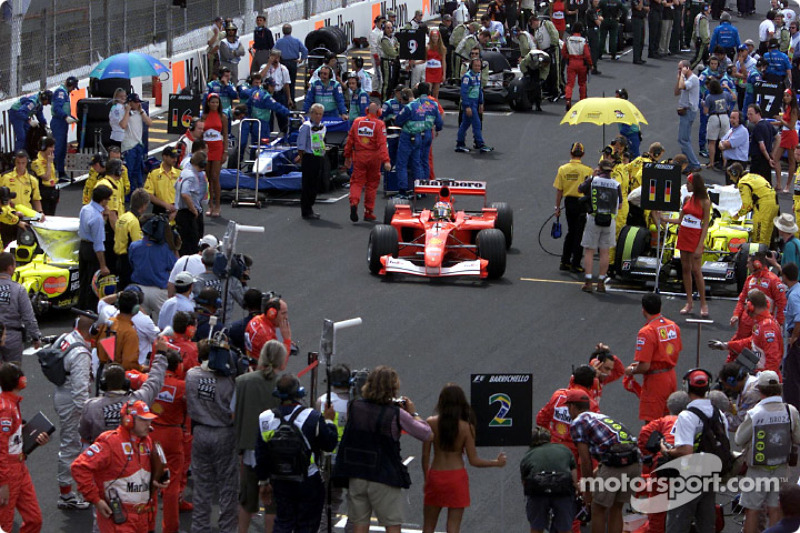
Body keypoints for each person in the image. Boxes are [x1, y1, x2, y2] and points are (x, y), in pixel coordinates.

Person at [333, 366, 433, 533]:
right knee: (392, 524)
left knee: (359, 524)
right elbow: (427, 434)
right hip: (384, 476)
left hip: (358, 474)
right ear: (393, 389)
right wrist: (414, 413)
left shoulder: (355, 407)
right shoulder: (396, 414)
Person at [253, 373, 338, 532]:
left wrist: (263, 482)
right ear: (298, 392)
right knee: (307, 525)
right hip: (308, 479)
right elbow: (329, 444)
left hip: (280, 479)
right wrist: (329, 421)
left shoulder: (265, 418)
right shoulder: (313, 417)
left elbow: (261, 455)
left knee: (283, 521)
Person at [72, 399, 168, 533]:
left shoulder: (147, 442)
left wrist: (158, 480)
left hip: (144, 516)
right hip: (119, 518)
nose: (149, 424)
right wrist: (96, 500)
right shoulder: (110, 442)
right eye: (143, 420)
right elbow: (79, 467)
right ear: (128, 420)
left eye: (149, 420)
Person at [422, 384, 506, 533]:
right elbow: (474, 460)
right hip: (456, 478)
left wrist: (426, 478)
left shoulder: (430, 422)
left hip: (436, 475)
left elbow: (425, 456)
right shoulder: (467, 427)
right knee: (453, 527)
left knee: (428, 526)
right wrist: (496, 463)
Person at [733, 370, 800, 533]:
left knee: (752, 509)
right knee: (775, 508)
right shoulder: (790, 411)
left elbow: (739, 439)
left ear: (760, 391)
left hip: (757, 468)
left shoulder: (756, 413)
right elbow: (798, 438)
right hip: (781, 467)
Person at [661, 369, 726, 532]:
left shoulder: (686, 416)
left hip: (688, 477)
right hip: (711, 474)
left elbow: (685, 451)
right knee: (706, 525)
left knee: (677, 526)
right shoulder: (719, 414)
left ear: (686, 387)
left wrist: (668, 451)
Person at [567, 389, 640, 533]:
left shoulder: (578, 422)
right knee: (617, 507)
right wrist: (594, 477)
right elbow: (604, 459)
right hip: (635, 460)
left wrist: (587, 490)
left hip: (615, 461)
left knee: (598, 508)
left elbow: (585, 460)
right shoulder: (601, 418)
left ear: (572, 407)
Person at [185, 339, 239, 533]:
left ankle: (199, 529)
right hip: (224, 432)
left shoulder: (191, 375)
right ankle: (227, 529)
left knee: (202, 487)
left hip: (200, 433)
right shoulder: (229, 380)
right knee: (227, 486)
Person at [234, 340, 287, 533]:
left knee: (247, 500)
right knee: (272, 504)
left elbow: (233, 413)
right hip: (276, 453)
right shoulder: (282, 386)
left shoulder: (242, 382)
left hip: (249, 451)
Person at [79, 344, 168, 444]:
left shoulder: (90, 406)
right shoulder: (138, 400)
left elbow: (84, 434)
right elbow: (155, 380)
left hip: (102, 454)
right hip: (131, 454)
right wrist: (161, 354)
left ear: (103, 384)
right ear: (126, 384)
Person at [0, 362, 49, 533]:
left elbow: (12, 436)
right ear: (20, 381)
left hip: (20, 466)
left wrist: (34, 438)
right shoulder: (5, 409)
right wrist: (3, 483)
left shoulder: (12, 403)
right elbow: (1, 450)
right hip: (8, 471)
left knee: (34, 519)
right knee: (4, 525)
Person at [51, 316, 94, 510]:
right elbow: (80, 393)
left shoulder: (65, 338)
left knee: (71, 445)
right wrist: (88, 417)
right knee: (71, 446)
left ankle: (68, 491)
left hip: (61, 392)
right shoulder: (81, 353)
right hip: (71, 402)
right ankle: (66, 495)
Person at [636, 391, 689, 533]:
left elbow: (644, 435)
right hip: (690, 470)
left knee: (657, 512)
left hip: (663, 467)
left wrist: (651, 456)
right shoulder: (696, 421)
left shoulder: (664, 421)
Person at [625, 293, 682, 422]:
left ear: (643, 310)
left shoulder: (646, 332)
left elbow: (645, 366)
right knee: (669, 421)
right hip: (671, 377)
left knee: (652, 424)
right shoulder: (673, 326)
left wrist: (631, 370)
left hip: (655, 382)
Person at [660, 173, 711, 316]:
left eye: (688, 183)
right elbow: (680, 219)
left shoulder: (705, 202)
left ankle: (703, 304)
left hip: (695, 237)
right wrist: (664, 219)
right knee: (686, 269)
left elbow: (705, 225)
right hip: (684, 235)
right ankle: (689, 302)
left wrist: (700, 245)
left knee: (696, 270)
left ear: (695, 184)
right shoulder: (687, 199)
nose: (686, 186)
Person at [148, 351, 188, 533]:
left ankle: (147, 525)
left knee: (149, 482)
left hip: (151, 433)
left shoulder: (151, 381)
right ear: (178, 366)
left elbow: (128, 375)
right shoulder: (182, 387)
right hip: (173, 435)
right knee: (171, 485)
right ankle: (170, 528)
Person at [712, 289, 784, 374]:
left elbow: (773, 359)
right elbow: (751, 342)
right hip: (760, 372)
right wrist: (726, 345)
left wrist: (762, 379)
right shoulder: (761, 323)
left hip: (765, 378)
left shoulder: (767, 328)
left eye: (746, 305)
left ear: (751, 306)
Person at [519, 426, 576, 533]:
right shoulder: (564, 449)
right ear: (549, 439)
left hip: (538, 491)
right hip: (562, 490)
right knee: (565, 528)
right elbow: (573, 475)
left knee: (536, 527)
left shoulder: (528, 455)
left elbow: (525, 482)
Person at [536, 365, 600, 460]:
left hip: (554, 449)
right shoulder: (592, 405)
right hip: (575, 456)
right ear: (594, 384)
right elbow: (596, 435)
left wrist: (551, 437)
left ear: (572, 379)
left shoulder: (558, 396)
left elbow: (541, 420)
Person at [578, 159, 622, 293]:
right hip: (610, 220)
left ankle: (588, 281)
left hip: (593, 218)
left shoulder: (594, 180)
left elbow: (580, 189)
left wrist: (592, 176)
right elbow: (620, 205)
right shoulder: (616, 184)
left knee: (589, 250)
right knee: (605, 252)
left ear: (600, 169)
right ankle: (601, 282)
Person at [344, 102, 391, 222]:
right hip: (374, 157)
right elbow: (382, 144)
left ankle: (354, 202)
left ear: (366, 110)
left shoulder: (357, 122)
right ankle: (368, 211)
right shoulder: (380, 124)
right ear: (379, 112)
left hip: (359, 156)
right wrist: (386, 160)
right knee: (372, 184)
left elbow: (350, 140)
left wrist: (347, 156)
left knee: (357, 181)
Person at [396, 84, 445, 197]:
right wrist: (437, 129)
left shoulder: (415, 105)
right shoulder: (433, 104)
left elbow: (399, 120)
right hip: (427, 133)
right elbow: (440, 121)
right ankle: (423, 188)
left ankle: (403, 191)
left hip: (413, 134)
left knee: (403, 163)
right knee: (423, 161)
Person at [128, 216, 178, 320]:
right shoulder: (165, 249)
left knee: (140, 324)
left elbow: (132, 263)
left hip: (140, 290)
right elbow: (175, 268)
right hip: (159, 292)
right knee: (165, 323)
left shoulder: (134, 246)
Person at [554, 142, 592, 273]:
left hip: (569, 203)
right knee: (579, 233)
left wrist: (557, 208)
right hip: (582, 203)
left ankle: (564, 261)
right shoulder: (588, 170)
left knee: (571, 231)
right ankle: (576, 263)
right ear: (583, 154)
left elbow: (559, 190)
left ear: (570, 153)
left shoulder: (563, 169)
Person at [77, 185, 112, 311]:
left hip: (83, 246)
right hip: (92, 250)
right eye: (107, 200)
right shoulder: (97, 218)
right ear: (103, 200)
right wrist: (103, 265)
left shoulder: (85, 209)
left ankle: (80, 308)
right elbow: (98, 245)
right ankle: (90, 310)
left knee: (83, 280)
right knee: (93, 284)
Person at [0, 252, 40, 363]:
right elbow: (28, 317)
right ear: (10, 268)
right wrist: (35, 337)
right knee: (13, 374)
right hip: (12, 337)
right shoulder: (18, 289)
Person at [727, 162, 780, 245]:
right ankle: (765, 254)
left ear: (735, 174)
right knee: (767, 236)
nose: (730, 178)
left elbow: (747, 205)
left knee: (758, 238)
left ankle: (757, 256)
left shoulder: (743, 183)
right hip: (774, 203)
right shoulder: (753, 176)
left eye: (730, 175)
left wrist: (737, 215)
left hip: (763, 207)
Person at [192, 247, 246, 324]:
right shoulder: (231, 281)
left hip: (203, 325)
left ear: (202, 261)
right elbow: (244, 302)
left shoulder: (197, 281)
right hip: (225, 327)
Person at [114, 188, 150, 290]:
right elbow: (137, 245)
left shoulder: (123, 217)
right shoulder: (134, 222)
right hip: (127, 262)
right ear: (143, 206)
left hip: (117, 257)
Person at [297, 103, 328, 220]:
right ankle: (306, 209)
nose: (318, 116)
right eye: (316, 114)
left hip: (318, 156)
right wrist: (302, 157)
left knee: (315, 183)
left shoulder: (322, 126)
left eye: (320, 114)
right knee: (307, 184)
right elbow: (301, 145)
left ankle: (310, 206)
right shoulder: (306, 126)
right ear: (311, 113)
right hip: (309, 156)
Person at [455, 58, 492, 154]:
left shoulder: (478, 76)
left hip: (475, 102)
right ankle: (480, 144)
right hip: (470, 103)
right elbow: (463, 92)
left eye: (479, 66)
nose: (477, 67)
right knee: (477, 123)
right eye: (476, 66)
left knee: (465, 124)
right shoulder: (467, 77)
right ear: (471, 66)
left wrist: (481, 102)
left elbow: (479, 90)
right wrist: (466, 106)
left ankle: (460, 143)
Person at [175, 152, 208, 257]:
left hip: (182, 212)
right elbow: (185, 193)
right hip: (188, 214)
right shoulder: (191, 176)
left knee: (184, 245)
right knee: (191, 247)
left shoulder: (184, 172)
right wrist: (193, 209)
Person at [120, 93, 153, 191]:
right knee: (129, 171)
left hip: (138, 144)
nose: (138, 104)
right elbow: (123, 125)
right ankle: (128, 191)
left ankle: (139, 189)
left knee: (138, 170)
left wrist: (142, 112)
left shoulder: (140, 111)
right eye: (135, 102)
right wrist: (127, 111)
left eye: (138, 102)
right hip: (129, 146)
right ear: (130, 103)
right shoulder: (124, 112)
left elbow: (149, 123)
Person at [202, 93, 227, 218]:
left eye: (217, 102)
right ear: (208, 103)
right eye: (212, 102)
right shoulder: (204, 116)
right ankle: (210, 205)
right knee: (208, 177)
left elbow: (226, 135)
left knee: (215, 176)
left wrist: (225, 151)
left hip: (217, 148)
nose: (214, 104)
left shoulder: (222, 117)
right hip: (207, 148)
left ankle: (218, 205)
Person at [675, 60, 702, 173]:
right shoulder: (685, 79)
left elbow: (683, 86)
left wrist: (681, 76)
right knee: (685, 139)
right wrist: (679, 77)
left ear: (687, 68)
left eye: (681, 68)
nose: (679, 71)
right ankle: (689, 164)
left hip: (689, 111)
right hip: (684, 111)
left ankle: (694, 163)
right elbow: (676, 91)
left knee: (683, 139)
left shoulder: (693, 79)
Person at [701, 79, 733, 168]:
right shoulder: (725, 94)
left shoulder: (709, 97)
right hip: (725, 117)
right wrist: (728, 88)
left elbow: (705, 111)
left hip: (714, 117)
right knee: (723, 141)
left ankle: (711, 162)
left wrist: (704, 105)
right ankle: (725, 162)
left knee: (712, 142)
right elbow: (734, 97)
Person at [273, 24, 309, 102]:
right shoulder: (296, 41)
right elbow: (305, 50)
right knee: (292, 83)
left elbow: (273, 51)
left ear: (283, 31)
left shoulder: (279, 42)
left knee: (282, 83)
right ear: (291, 31)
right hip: (293, 63)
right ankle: (291, 100)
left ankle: (284, 100)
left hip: (283, 63)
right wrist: (301, 59)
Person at [562, 22, 592, 110]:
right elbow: (587, 55)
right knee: (582, 83)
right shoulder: (583, 40)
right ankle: (582, 102)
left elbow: (563, 52)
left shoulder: (568, 40)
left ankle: (568, 99)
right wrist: (590, 64)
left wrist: (568, 57)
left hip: (571, 62)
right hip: (581, 63)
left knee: (570, 84)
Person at [773, 89, 799, 191]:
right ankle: (779, 184)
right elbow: (783, 123)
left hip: (791, 136)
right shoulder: (786, 107)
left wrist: (781, 120)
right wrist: (770, 123)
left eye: (788, 96)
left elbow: (791, 126)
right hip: (784, 135)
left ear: (792, 97)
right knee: (776, 159)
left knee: (791, 161)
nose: (785, 97)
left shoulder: (794, 110)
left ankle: (788, 185)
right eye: (784, 95)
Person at [783, 263, 800, 409]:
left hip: (797, 338)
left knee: (792, 377)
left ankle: (793, 409)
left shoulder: (794, 295)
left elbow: (799, 318)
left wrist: (794, 337)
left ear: (784, 277)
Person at [144, 147, 180, 215]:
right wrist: (165, 205)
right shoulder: (154, 173)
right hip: (159, 210)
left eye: (176, 157)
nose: (175, 160)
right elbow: (148, 194)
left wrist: (176, 210)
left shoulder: (179, 173)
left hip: (177, 211)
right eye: (172, 157)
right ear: (164, 157)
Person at [747, 104, 777, 182]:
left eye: (751, 114)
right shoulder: (768, 124)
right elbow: (778, 137)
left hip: (758, 161)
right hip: (767, 159)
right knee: (766, 184)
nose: (749, 116)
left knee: (755, 184)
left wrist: (768, 158)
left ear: (758, 114)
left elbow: (762, 146)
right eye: (748, 114)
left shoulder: (758, 127)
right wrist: (773, 153)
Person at [30, 136, 59, 216]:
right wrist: (49, 163)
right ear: (44, 147)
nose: (53, 149)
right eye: (51, 147)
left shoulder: (50, 158)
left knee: (52, 215)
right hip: (43, 192)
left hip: (53, 190)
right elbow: (46, 177)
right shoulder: (36, 162)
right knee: (45, 216)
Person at [380, 22, 401, 99]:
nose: (390, 30)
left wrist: (396, 50)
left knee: (395, 81)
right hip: (386, 62)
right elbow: (391, 52)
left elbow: (398, 48)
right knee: (387, 82)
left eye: (391, 28)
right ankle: (384, 99)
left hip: (394, 62)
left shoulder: (394, 38)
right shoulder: (384, 40)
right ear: (384, 29)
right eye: (388, 28)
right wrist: (396, 50)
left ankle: (392, 98)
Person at [427, 30, 447, 99]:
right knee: (428, 91)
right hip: (429, 70)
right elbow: (424, 60)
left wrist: (444, 74)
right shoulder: (427, 47)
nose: (434, 38)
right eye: (433, 36)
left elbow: (443, 62)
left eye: (436, 36)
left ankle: (435, 107)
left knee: (436, 92)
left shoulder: (442, 48)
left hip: (438, 71)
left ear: (438, 37)